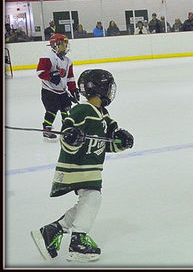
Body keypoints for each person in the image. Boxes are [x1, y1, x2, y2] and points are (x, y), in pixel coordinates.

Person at [31, 69, 134, 262]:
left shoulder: (103, 115)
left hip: (90, 169)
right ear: (100, 89)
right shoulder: (82, 110)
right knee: (93, 199)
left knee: (87, 201)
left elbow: (107, 142)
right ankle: (78, 242)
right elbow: (67, 132)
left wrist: (121, 142)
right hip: (76, 167)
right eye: (109, 87)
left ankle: (52, 230)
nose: (111, 91)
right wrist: (71, 136)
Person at [36, 34, 80, 141]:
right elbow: (40, 72)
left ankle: (67, 129)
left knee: (67, 109)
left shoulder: (68, 61)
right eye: (62, 44)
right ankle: (47, 129)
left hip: (62, 91)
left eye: (65, 44)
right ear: (55, 45)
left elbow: (70, 77)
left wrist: (73, 89)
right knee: (52, 110)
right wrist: (50, 76)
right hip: (49, 90)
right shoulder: (48, 57)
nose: (65, 46)